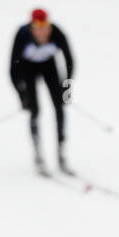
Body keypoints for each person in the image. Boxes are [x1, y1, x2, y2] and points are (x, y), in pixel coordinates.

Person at [10, 9, 74, 175]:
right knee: (35, 110)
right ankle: (38, 155)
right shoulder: (22, 35)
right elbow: (13, 69)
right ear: (32, 28)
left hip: (48, 66)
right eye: (38, 28)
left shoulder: (56, 33)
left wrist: (66, 88)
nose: (43, 32)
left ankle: (61, 155)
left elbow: (69, 61)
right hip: (28, 68)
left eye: (46, 27)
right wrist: (22, 95)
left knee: (59, 107)